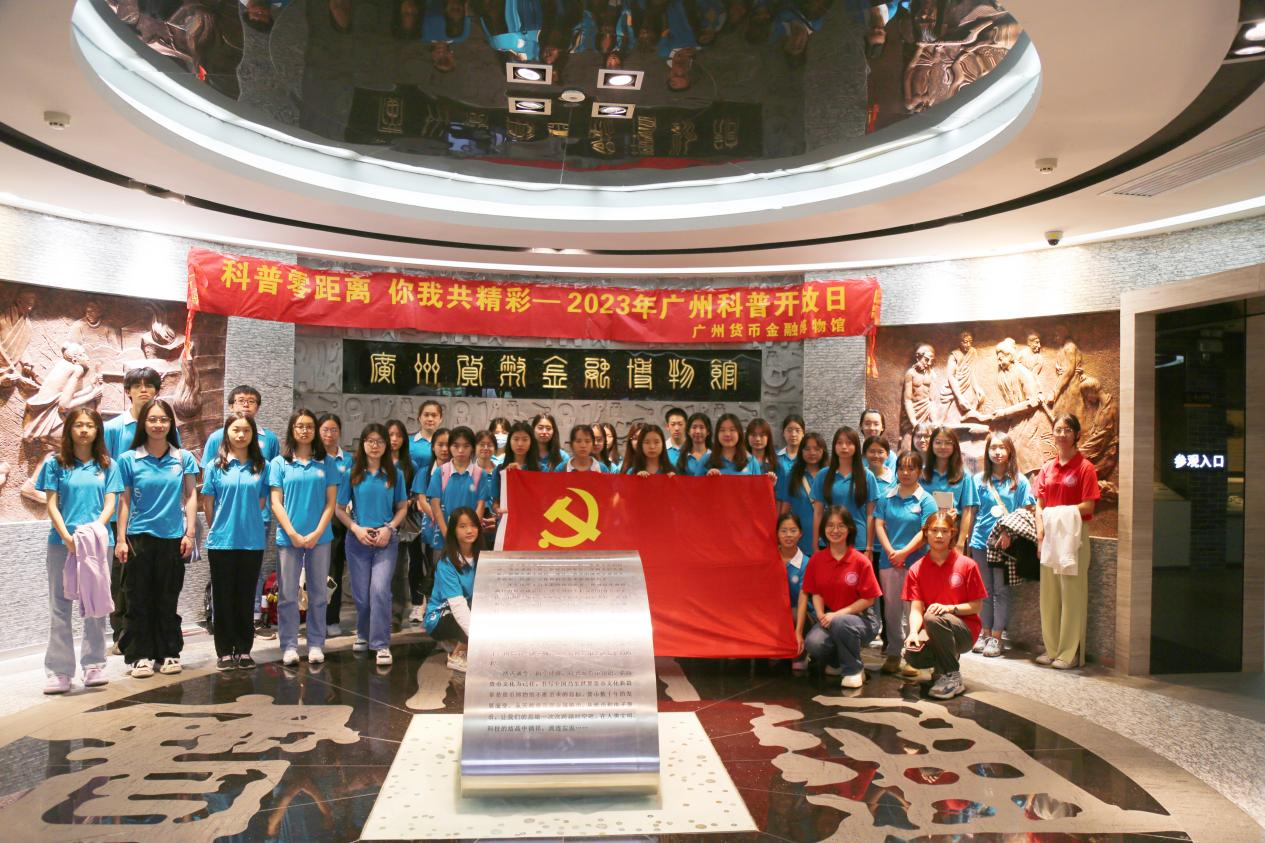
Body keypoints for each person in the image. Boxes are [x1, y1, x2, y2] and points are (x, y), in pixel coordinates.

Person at [36, 408, 122, 694]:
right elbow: (51, 504)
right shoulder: (55, 463)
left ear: (98, 431)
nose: (84, 430)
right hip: (62, 543)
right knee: (60, 606)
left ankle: (94, 664)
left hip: (98, 543)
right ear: (69, 430)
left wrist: (93, 531)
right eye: (78, 425)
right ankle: (59, 672)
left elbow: (110, 503)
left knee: (96, 603)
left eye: (90, 426)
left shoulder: (108, 465)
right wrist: (67, 537)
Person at [115, 398, 199, 678]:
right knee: (137, 598)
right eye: (152, 419)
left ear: (171, 424)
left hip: (173, 538)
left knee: (167, 597)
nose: (158, 424)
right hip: (138, 538)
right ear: (143, 424)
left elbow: (191, 495)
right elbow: (124, 501)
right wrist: (121, 539)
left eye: (164, 419)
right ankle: (139, 656)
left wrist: (190, 533)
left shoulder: (183, 458)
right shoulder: (128, 459)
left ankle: (168, 652)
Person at [200, 385, 280, 638]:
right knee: (224, 579)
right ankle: (221, 624)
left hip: (257, 521)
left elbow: (266, 491)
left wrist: (253, 514)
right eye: (241, 400)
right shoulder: (216, 439)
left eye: (252, 401)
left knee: (250, 576)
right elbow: (209, 495)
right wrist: (217, 524)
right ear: (231, 405)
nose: (246, 404)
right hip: (224, 525)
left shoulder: (269, 440)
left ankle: (253, 619)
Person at [336, 423, 410, 667]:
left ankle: (381, 643)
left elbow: (402, 507)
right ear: (363, 443)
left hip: (385, 540)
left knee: (379, 590)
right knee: (361, 595)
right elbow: (339, 509)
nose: (375, 445)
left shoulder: (395, 474)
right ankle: (362, 632)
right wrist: (355, 529)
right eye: (370, 441)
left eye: (379, 441)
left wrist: (390, 528)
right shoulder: (352, 473)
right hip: (358, 540)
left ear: (386, 445)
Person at [270, 409, 339, 668]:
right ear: (292, 429)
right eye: (299, 426)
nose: (304, 430)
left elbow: (331, 504)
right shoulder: (279, 463)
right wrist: (292, 533)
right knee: (288, 594)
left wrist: (317, 532)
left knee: (319, 594)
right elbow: (276, 503)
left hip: (320, 538)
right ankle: (289, 645)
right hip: (289, 538)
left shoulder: (326, 462)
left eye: (309, 426)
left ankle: (315, 643)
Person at [202, 412, 269, 671]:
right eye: (235, 430)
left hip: (252, 541)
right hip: (221, 542)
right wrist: (221, 526)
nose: (241, 435)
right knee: (223, 597)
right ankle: (224, 652)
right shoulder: (215, 466)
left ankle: (243, 649)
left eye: (246, 430)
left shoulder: (261, 466)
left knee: (245, 596)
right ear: (226, 433)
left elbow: (261, 502)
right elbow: (208, 504)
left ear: (252, 434)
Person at [1034, 414, 1099, 669]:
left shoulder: (1085, 467)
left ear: (1076, 434)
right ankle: (1052, 649)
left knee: (1072, 594)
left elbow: (1089, 505)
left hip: (1074, 536)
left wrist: (1058, 513)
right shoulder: (1047, 468)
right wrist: (1040, 535)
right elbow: (1039, 506)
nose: (1062, 434)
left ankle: (1069, 653)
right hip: (1050, 536)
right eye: (1058, 429)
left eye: (1067, 430)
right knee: (1049, 594)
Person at [901, 511, 987, 699]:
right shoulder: (917, 568)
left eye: (944, 531)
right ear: (926, 533)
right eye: (934, 530)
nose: (939, 535)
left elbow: (976, 606)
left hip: (964, 630)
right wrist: (913, 633)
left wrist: (949, 608)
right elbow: (916, 609)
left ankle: (952, 676)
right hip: (933, 628)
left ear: (952, 534)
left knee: (933, 617)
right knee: (911, 654)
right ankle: (941, 670)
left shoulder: (967, 565)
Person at [800, 507, 881, 689]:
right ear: (823, 529)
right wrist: (820, 614)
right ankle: (839, 662)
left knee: (841, 622)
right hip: (831, 617)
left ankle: (854, 670)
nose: (835, 530)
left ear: (850, 529)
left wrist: (837, 615)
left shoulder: (861, 561)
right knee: (813, 643)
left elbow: (869, 599)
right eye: (830, 525)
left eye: (841, 526)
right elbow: (816, 592)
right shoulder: (817, 560)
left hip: (862, 619)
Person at [968, 431, 1033, 657]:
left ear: (1010, 451)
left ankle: (997, 638)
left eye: (1002, 447)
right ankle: (984, 633)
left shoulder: (1019, 481)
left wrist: (1008, 532)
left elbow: (1026, 510)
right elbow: (972, 511)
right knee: (984, 591)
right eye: (993, 447)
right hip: (980, 541)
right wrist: (967, 542)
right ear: (987, 451)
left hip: (1004, 545)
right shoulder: (978, 480)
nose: (997, 452)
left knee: (1000, 591)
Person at [873, 449, 937, 677]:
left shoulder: (926, 500)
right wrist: (891, 552)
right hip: (888, 561)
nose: (906, 472)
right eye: (901, 468)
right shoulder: (886, 497)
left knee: (914, 610)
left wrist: (904, 552)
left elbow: (926, 531)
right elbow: (879, 524)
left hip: (915, 563)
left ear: (919, 471)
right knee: (891, 609)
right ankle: (893, 652)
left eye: (911, 468)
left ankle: (914, 655)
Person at [424, 507, 480, 672]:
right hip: (440, 617)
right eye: (462, 526)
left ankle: (462, 644)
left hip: (467, 610)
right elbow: (458, 606)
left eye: (473, 525)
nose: (469, 530)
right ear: (453, 531)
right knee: (475, 615)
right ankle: (457, 654)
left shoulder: (481, 557)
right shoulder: (447, 563)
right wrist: (480, 638)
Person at [811, 427, 878, 558]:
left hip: (858, 542)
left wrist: (869, 547)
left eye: (849, 443)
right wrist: (815, 545)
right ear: (834, 446)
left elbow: (871, 515)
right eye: (840, 442)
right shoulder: (823, 475)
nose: (844, 447)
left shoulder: (867, 476)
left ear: (856, 446)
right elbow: (818, 513)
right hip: (829, 540)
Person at [386, 418, 422, 628]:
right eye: (390, 435)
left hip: (400, 523)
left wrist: (407, 502)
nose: (394, 439)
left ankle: (396, 615)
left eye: (398, 435)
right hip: (377, 520)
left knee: (399, 569)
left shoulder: (410, 465)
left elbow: (416, 494)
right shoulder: (377, 462)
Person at [317, 412, 350, 637]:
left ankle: (331, 618)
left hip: (338, 522)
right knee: (314, 572)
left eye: (334, 430)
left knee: (334, 571)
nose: (329, 434)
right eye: (325, 430)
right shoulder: (313, 459)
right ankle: (313, 618)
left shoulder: (348, 460)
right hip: (314, 520)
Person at [921, 427, 979, 552]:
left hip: (952, 536)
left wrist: (960, 543)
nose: (943, 446)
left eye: (948, 443)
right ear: (931, 445)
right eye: (938, 442)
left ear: (954, 446)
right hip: (923, 538)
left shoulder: (964, 476)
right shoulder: (921, 473)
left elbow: (967, 511)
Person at [425, 426, 488, 541]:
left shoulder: (480, 474)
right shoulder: (440, 472)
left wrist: (471, 531)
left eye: (466, 446)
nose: (460, 450)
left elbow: (481, 505)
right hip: (444, 536)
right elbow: (435, 505)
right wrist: (447, 535)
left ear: (472, 448)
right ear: (450, 447)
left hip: (471, 537)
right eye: (456, 446)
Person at [777, 431, 826, 559]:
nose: (812, 452)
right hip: (800, 540)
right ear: (801, 451)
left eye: (816, 449)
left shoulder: (831, 475)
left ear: (823, 451)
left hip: (828, 538)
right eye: (807, 449)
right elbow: (785, 510)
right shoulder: (792, 476)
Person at [776, 512, 809, 670]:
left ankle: (800, 653)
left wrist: (798, 632)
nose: (788, 535)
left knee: (793, 613)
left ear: (800, 533)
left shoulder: (806, 563)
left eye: (793, 530)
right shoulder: (769, 558)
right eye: (783, 531)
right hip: (774, 613)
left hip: (800, 614)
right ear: (777, 534)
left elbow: (803, 600)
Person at [409, 400, 444, 478]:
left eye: (434, 415)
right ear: (419, 418)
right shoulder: (408, 443)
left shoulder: (447, 444)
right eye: (426, 415)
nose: (430, 419)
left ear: (441, 419)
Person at [860, 407, 898, 473]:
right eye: (867, 424)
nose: (872, 428)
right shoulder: (856, 455)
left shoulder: (890, 457)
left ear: (882, 427)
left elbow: (891, 478)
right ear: (861, 426)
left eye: (876, 424)